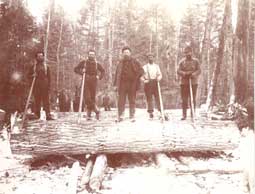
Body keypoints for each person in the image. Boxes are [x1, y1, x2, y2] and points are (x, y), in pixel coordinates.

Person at [113, 46, 144, 122]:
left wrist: (136, 78)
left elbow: (141, 71)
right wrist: (115, 85)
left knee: (132, 99)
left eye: (127, 52)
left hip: (132, 83)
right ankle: (121, 115)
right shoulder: (120, 63)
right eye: (124, 52)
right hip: (122, 84)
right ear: (122, 54)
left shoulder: (135, 61)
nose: (126, 54)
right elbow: (117, 74)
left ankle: (132, 115)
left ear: (130, 53)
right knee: (121, 100)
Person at [74, 49, 105, 120]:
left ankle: (89, 115)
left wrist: (99, 77)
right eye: (90, 54)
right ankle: (96, 110)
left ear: (94, 55)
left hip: (94, 81)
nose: (91, 56)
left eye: (93, 54)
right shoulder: (84, 62)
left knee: (92, 98)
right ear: (88, 55)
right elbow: (75, 69)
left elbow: (103, 71)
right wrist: (82, 72)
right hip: (86, 81)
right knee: (87, 98)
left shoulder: (97, 63)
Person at [177, 46, 201, 120]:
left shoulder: (196, 61)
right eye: (186, 53)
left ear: (192, 52)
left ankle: (193, 114)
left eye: (189, 52)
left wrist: (193, 74)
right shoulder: (182, 62)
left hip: (193, 82)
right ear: (184, 54)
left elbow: (199, 70)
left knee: (192, 99)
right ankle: (184, 115)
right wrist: (184, 74)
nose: (188, 54)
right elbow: (178, 71)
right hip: (184, 83)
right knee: (184, 99)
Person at [28, 51, 54, 120]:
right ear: (36, 57)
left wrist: (49, 86)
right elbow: (28, 76)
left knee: (46, 101)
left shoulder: (46, 66)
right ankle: (37, 114)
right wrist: (32, 75)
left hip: (45, 85)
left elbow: (49, 77)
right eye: (38, 56)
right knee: (37, 100)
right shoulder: (33, 67)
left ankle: (48, 114)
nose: (40, 57)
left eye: (41, 56)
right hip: (36, 85)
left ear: (43, 57)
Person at [141, 53, 162, 119]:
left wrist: (159, 78)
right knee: (149, 98)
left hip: (155, 83)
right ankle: (151, 112)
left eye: (152, 57)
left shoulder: (156, 66)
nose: (150, 58)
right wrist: (144, 81)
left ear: (153, 58)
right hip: (148, 83)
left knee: (158, 97)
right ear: (147, 58)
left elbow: (160, 74)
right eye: (149, 57)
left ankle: (160, 111)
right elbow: (141, 76)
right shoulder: (144, 67)